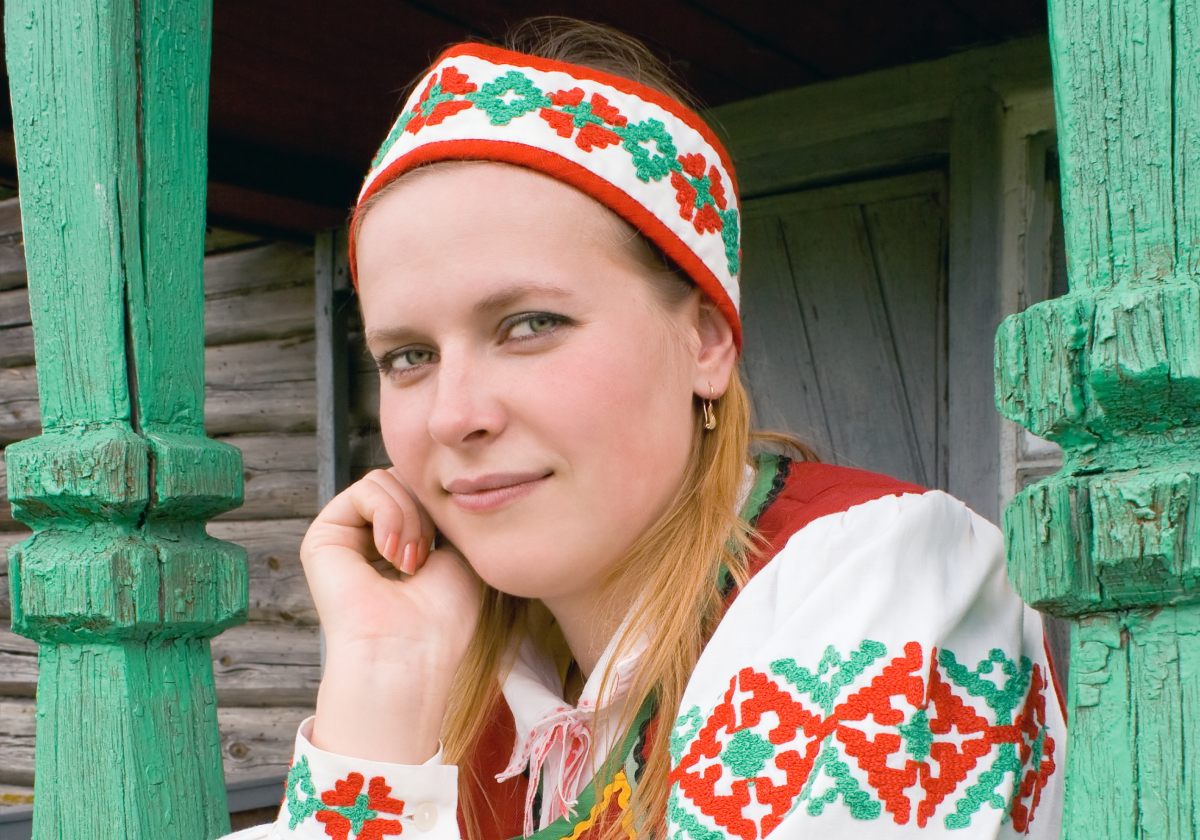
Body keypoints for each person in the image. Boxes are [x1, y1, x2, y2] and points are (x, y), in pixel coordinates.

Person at [227, 18, 1064, 840]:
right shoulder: (453, 695)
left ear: (706, 340)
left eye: (529, 325)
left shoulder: (884, 591)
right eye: (408, 355)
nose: (453, 416)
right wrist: (384, 678)